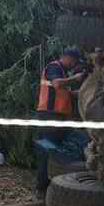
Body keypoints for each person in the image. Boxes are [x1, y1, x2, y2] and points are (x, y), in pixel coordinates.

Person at [35, 47, 85, 193]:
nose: (74, 65)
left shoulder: (62, 71)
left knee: (57, 151)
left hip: (58, 117)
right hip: (49, 117)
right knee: (47, 151)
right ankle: (42, 188)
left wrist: (78, 94)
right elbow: (56, 84)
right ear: (68, 57)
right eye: (74, 62)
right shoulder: (54, 67)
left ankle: (50, 184)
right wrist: (74, 79)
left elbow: (60, 92)